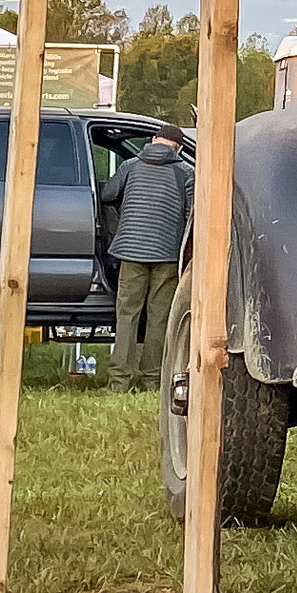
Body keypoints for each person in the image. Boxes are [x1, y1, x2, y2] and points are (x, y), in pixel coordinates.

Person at [99, 123, 191, 394]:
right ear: (180, 148)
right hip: (166, 253)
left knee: (126, 315)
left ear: (153, 140)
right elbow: (191, 213)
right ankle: (152, 382)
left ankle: (119, 383)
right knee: (159, 318)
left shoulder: (130, 166)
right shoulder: (185, 172)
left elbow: (107, 194)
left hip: (130, 251)